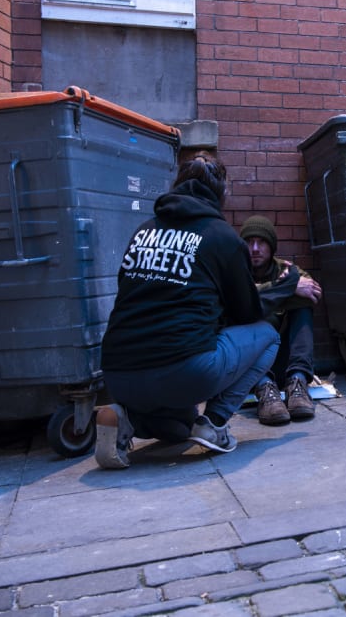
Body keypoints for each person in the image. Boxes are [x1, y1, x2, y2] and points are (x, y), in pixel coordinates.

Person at [95, 154, 280, 469]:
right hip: (185, 370)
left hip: (117, 372)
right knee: (267, 335)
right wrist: (283, 290)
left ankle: (124, 418)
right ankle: (216, 423)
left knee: (179, 430)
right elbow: (246, 313)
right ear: (220, 195)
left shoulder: (143, 231)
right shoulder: (222, 237)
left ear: (176, 186)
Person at [240, 215, 323, 425]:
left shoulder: (288, 270)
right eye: (249, 242)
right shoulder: (236, 272)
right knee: (248, 311)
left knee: (302, 306)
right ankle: (265, 390)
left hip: (282, 360)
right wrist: (285, 289)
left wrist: (269, 295)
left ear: (272, 245)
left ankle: (298, 382)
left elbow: (313, 293)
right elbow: (237, 299)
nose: (255, 248)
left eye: (262, 242)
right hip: (249, 364)